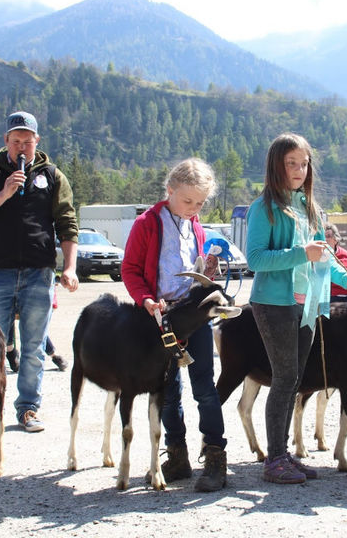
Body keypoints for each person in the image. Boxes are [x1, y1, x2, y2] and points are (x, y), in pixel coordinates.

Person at [246, 133, 347, 484]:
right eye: (291, 163)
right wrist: (302, 253)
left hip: (309, 304)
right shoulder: (263, 208)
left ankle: (282, 455)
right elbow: (255, 259)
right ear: (276, 165)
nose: (299, 170)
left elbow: (323, 260)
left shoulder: (310, 207)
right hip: (274, 303)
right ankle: (274, 461)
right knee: (284, 379)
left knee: (296, 380)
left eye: (304, 163)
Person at [0, 110, 79, 433]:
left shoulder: (52, 175)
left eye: (28, 141)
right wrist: (2, 194)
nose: (22, 147)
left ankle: (28, 408)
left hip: (39, 274)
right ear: (6, 141)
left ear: (37, 142)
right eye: (16, 141)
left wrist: (69, 267)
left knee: (34, 346)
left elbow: (67, 222)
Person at [121, 158, 229, 492]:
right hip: (160, 319)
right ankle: (177, 456)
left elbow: (195, 269)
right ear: (170, 189)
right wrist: (145, 299)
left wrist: (209, 273)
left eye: (200, 203)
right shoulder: (146, 224)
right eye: (188, 201)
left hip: (193, 315)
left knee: (204, 388)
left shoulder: (195, 225)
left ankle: (215, 458)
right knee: (167, 391)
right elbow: (130, 270)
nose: (194, 208)